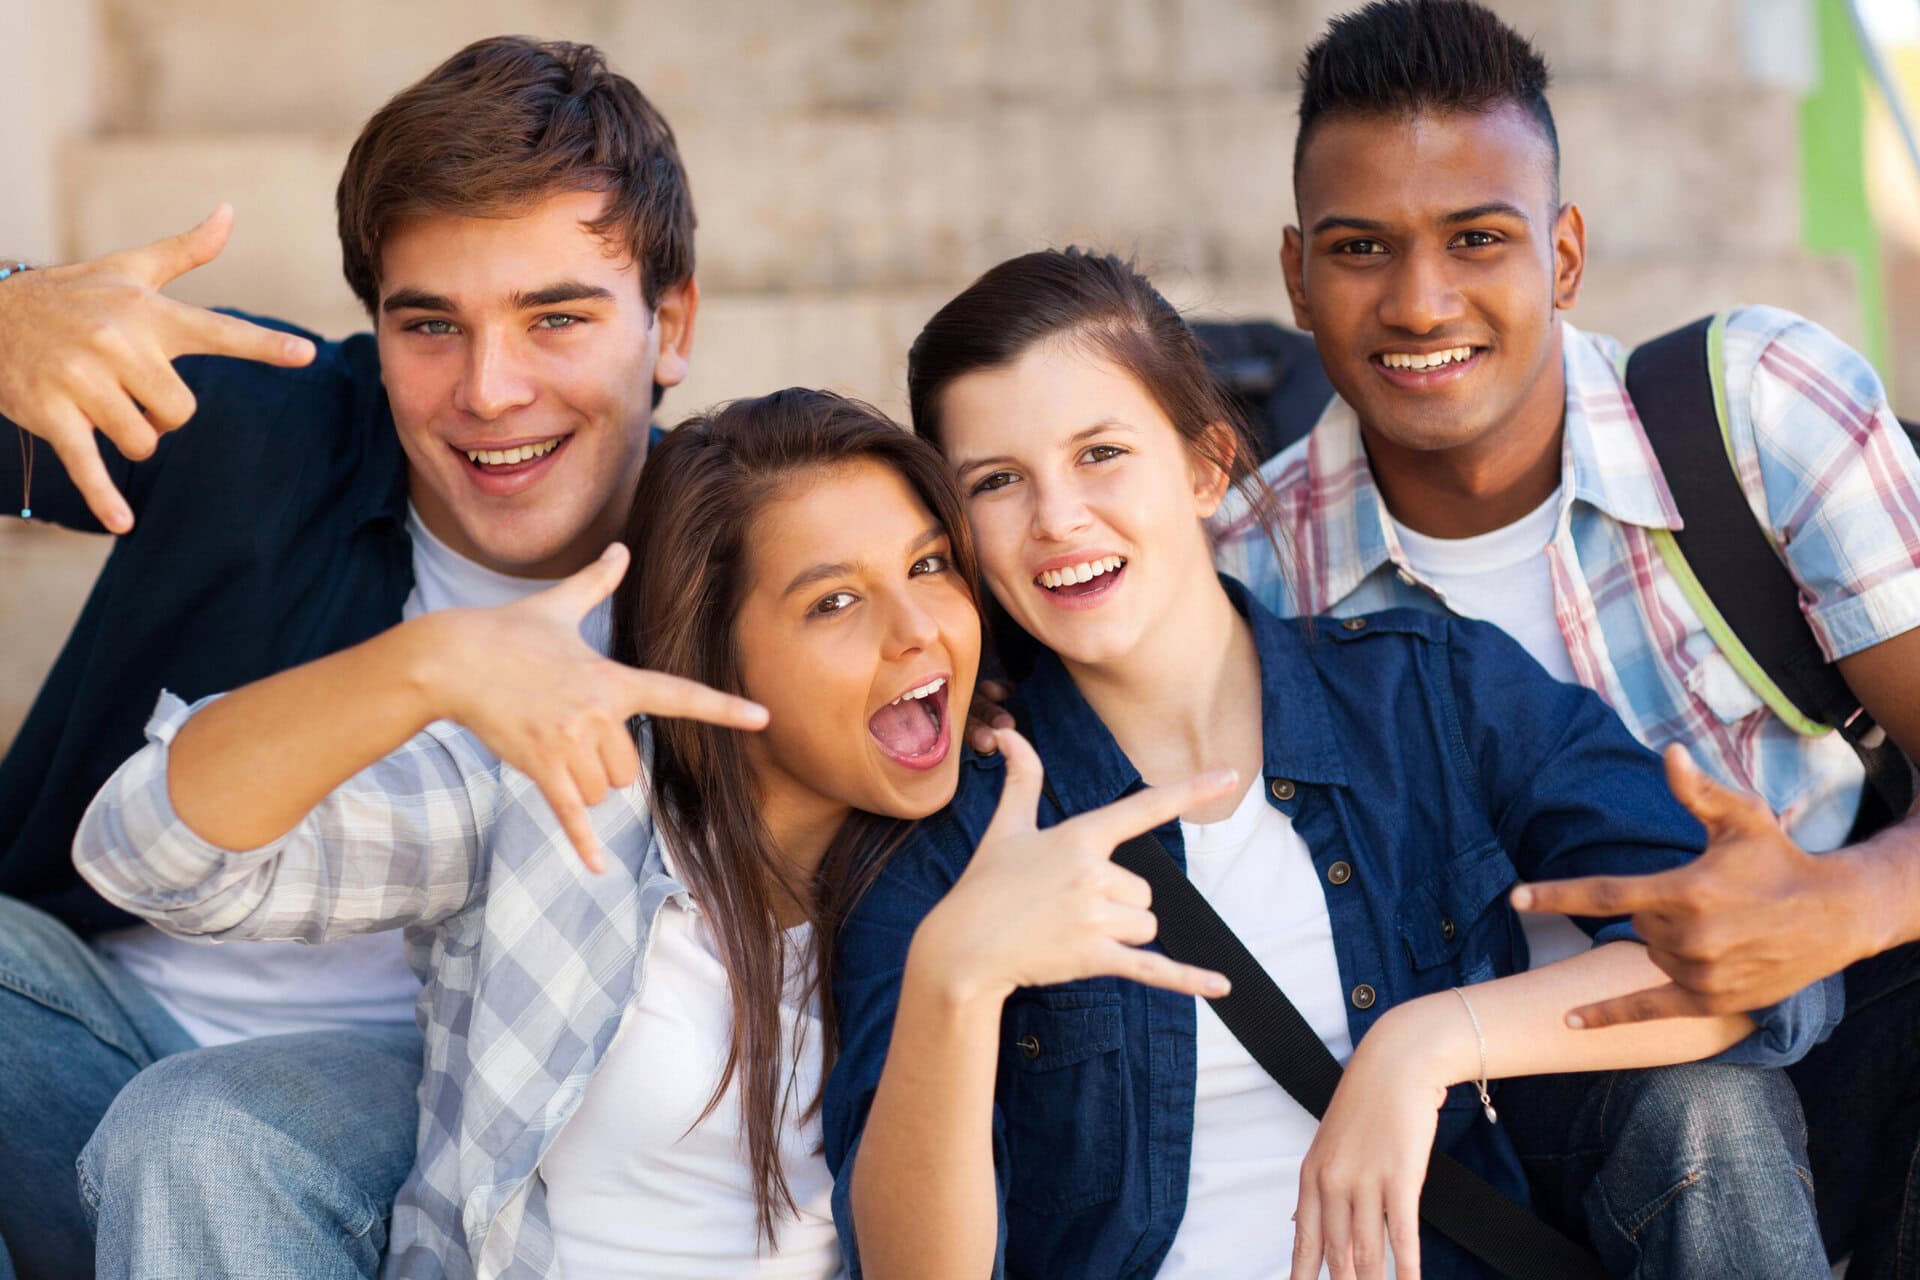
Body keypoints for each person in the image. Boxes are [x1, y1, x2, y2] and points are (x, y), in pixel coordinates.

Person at [823, 247, 1839, 1280]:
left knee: (1716, 1102)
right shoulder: (951, 830)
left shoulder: (1429, 699)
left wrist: (1428, 1042)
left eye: (1100, 453)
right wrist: (959, 972)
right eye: (996, 481)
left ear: (1207, 464)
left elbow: (1759, 956)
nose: (1057, 517)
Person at [1209, 2, 1920, 1272]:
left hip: (1855, 1033)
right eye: (1361, 247)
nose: (1421, 302)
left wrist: (1840, 902)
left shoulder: (1753, 413)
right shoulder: (1252, 575)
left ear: (1567, 254)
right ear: (1295, 277)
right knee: (1699, 1103)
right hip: (1512, 1125)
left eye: (1478, 238)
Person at [0, 36, 704, 1278]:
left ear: (672, 323)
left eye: (556, 317)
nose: (491, 390)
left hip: (441, 1102)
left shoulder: (746, 550)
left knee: (208, 1136)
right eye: (429, 323)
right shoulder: (269, 429)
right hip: (91, 1031)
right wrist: (4, 315)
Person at [72, 388, 983, 1278]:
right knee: (188, 1124)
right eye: (832, 601)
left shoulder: (1001, 834)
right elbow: (147, 856)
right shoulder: (569, 792)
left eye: (929, 565)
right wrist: (428, 665)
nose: (917, 633)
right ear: (712, 643)